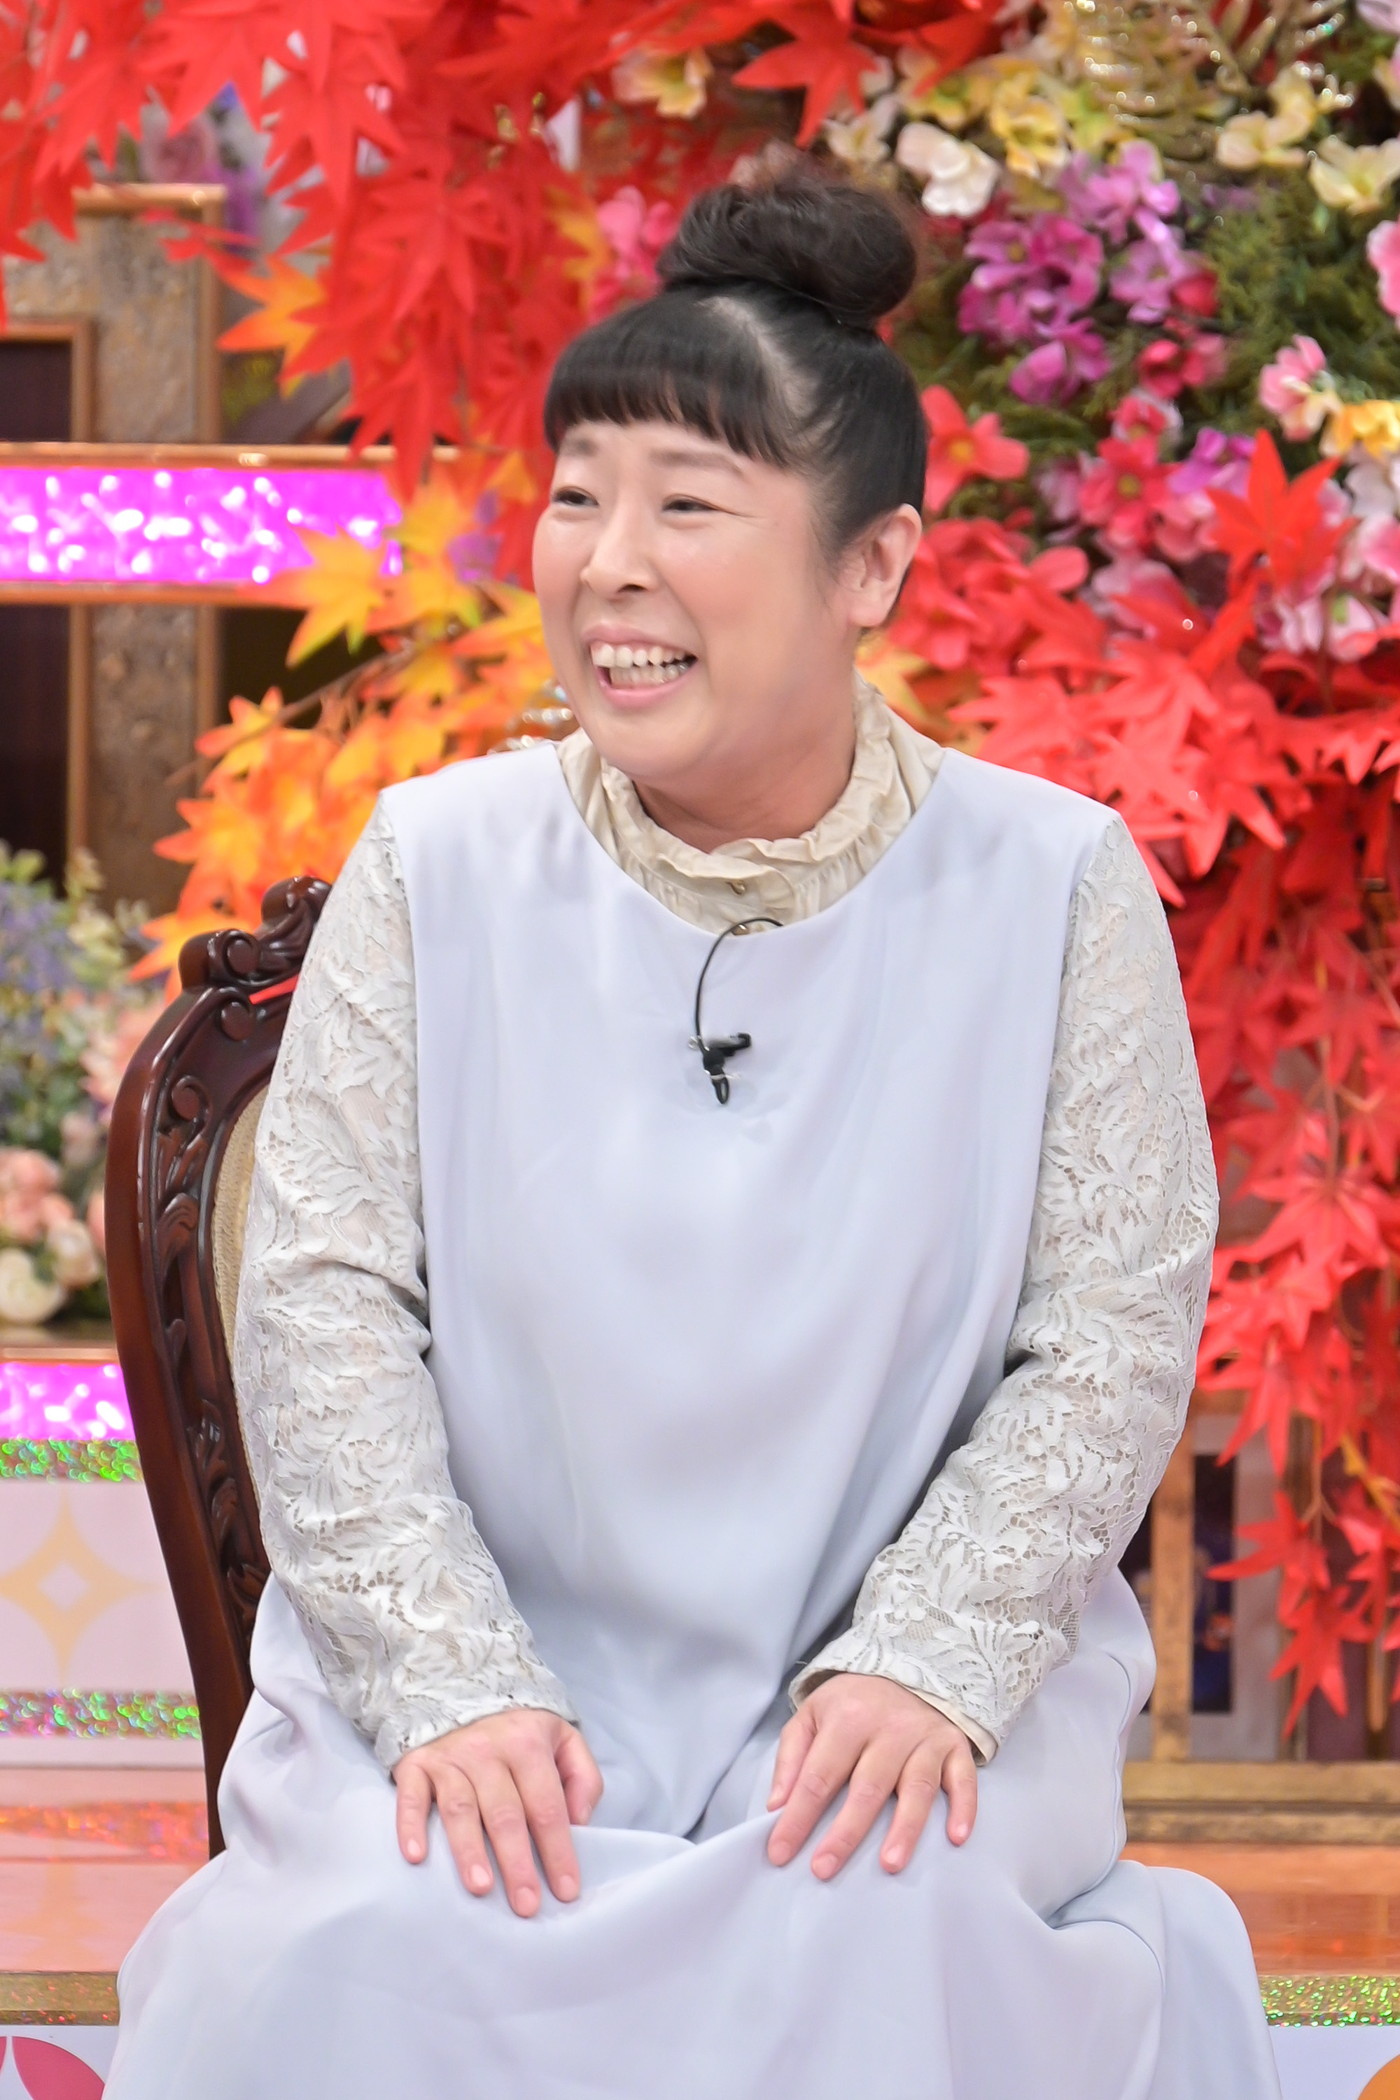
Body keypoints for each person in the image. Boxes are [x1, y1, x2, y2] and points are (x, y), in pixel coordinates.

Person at [106, 171, 1282, 2100]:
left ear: (872, 566)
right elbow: (319, 1305)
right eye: (580, 496)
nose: (609, 565)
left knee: (883, 1916)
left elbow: (1112, 1331)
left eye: (690, 506)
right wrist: (450, 1678)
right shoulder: (438, 861)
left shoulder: (1054, 882)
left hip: (891, 1679)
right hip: (502, 1659)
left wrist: (928, 1658)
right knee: (391, 1932)